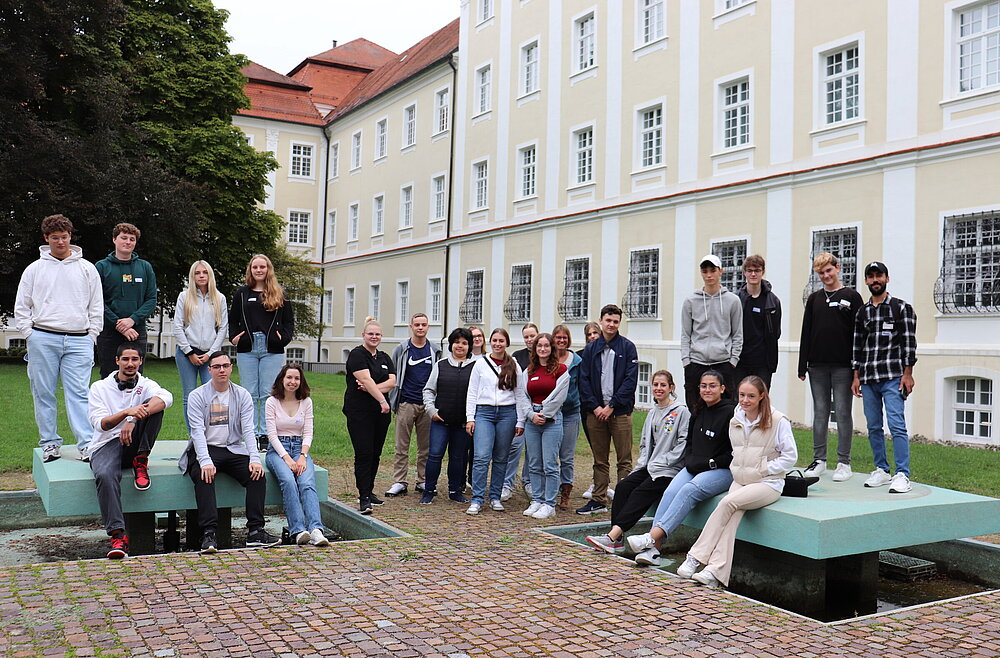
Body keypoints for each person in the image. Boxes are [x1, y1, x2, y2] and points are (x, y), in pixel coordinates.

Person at [673, 376, 797, 588]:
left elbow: (790, 456)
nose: (745, 400)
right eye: (742, 395)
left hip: (767, 484)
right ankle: (714, 571)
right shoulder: (736, 418)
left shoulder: (777, 421)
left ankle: (694, 558)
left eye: (751, 396)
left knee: (727, 503)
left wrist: (765, 469)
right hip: (740, 481)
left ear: (761, 396)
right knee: (732, 517)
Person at [14, 214, 103, 463]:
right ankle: (50, 443)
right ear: (46, 238)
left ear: (70, 236)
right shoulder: (34, 269)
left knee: (79, 394)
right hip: (42, 337)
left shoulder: (87, 269)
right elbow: (22, 306)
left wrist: (92, 335)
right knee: (43, 393)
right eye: (55, 238)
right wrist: (29, 334)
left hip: (79, 339)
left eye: (64, 237)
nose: (60, 242)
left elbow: (96, 306)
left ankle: (86, 444)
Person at [625, 370, 736, 564]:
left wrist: (710, 463)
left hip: (722, 470)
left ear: (722, 388)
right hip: (696, 467)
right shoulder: (699, 410)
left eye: (712, 386)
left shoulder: (730, 412)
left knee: (688, 490)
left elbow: (733, 451)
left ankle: (651, 538)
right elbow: (690, 442)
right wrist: (691, 461)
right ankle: (653, 552)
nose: (707, 389)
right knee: (670, 493)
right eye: (703, 386)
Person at [179, 351, 281, 554]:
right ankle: (209, 533)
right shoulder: (197, 396)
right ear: (209, 370)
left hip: (233, 448)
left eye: (225, 365)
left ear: (231, 368)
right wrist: (205, 461)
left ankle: (255, 531)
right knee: (203, 475)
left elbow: (248, 430)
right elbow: (197, 432)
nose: (221, 370)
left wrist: (254, 458)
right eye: (216, 366)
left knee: (256, 476)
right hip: (205, 449)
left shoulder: (241, 395)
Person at [585, 370, 688, 554]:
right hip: (650, 466)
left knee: (640, 493)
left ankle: (611, 537)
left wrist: (664, 461)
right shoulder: (653, 412)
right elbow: (644, 443)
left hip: (668, 470)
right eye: (655, 384)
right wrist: (644, 462)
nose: (658, 388)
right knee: (623, 487)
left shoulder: (681, 412)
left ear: (671, 387)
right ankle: (618, 541)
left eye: (663, 385)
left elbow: (683, 443)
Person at [88, 343, 172, 559]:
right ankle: (117, 536)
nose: (130, 364)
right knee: (106, 475)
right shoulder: (99, 388)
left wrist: (133, 419)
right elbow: (101, 424)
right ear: (117, 361)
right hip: (105, 444)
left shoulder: (146, 384)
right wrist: (126, 412)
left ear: (140, 361)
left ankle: (140, 461)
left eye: (135, 359)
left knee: (156, 406)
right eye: (125, 359)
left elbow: (167, 398)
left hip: (133, 443)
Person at [852, 261, 917, 494]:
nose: (874, 280)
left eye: (879, 276)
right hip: (869, 377)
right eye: (870, 277)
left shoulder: (901, 308)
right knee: (873, 426)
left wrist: (908, 374)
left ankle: (902, 474)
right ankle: (881, 469)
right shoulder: (863, 312)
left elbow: (909, 343)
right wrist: (856, 376)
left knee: (897, 425)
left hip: (893, 376)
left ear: (887, 279)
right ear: (867, 281)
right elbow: (858, 346)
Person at [798, 252, 864, 482]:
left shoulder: (852, 297)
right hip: (817, 366)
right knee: (820, 412)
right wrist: (802, 365)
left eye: (829, 270)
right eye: (821, 272)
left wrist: (858, 369)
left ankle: (844, 463)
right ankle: (819, 460)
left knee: (844, 413)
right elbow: (806, 332)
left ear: (837, 268)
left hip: (843, 367)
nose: (826, 275)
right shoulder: (814, 299)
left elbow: (860, 335)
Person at [577, 304, 638, 515]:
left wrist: (611, 406)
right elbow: (583, 381)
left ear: (619, 323)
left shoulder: (628, 348)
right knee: (599, 459)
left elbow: (630, 382)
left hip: (619, 413)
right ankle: (598, 499)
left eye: (615, 321)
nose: (611, 325)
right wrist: (595, 407)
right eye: (608, 320)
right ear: (601, 320)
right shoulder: (591, 349)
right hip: (595, 414)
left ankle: (624, 499)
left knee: (624, 460)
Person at [229, 254, 294, 439]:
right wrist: (234, 338)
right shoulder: (241, 293)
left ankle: (265, 434)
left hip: (271, 349)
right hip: (247, 348)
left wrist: (283, 339)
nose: (258, 270)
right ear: (250, 270)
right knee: (248, 393)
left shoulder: (279, 293)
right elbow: (233, 319)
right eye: (255, 267)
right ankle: (250, 434)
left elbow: (289, 322)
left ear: (268, 269)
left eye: (262, 267)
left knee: (268, 393)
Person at [264, 364, 329, 546]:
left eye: (296, 378)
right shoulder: (272, 402)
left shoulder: (306, 402)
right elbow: (272, 435)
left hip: (300, 449)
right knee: (289, 481)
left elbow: (308, 432)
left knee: (307, 483)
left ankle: (316, 529)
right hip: (278, 451)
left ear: (301, 382)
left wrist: (302, 456)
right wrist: (287, 459)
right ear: (282, 379)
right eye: (289, 378)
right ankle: (299, 530)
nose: (293, 382)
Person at [464, 328, 526, 515]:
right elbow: (472, 392)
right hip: (484, 412)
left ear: (506, 343)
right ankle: (477, 499)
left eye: (501, 341)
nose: (498, 344)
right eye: (495, 340)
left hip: (507, 414)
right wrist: (470, 418)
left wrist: (520, 421)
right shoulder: (481, 363)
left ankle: (495, 497)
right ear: (490, 342)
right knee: (481, 456)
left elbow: (520, 393)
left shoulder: (513, 364)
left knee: (501, 457)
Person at [342, 318, 396, 514]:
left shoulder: (384, 357)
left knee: (375, 453)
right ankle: (363, 496)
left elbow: (392, 382)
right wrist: (382, 400)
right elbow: (364, 378)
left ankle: (370, 490)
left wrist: (371, 389)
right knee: (364, 453)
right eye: (371, 333)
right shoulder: (357, 355)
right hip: (359, 413)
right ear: (363, 335)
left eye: (378, 334)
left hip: (380, 415)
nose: (374, 337)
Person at [386, 313, 441, 498]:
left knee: (425, 447)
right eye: (416, 324)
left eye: (423, 324)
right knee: (402, 446)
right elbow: (393, 375)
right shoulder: (402, 349)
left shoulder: (435, 350)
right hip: (406, 402)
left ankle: (422, 480)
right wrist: (395, 399)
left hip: (427, 405)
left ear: (428, 327)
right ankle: (400, 481)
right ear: (411, 326)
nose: (420, 327)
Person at [420, 327, 477, 505]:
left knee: (458, 457)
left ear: (469, 346)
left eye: (464, 343)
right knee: (435, 455)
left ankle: (455, 491)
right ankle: (429, 490)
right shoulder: (441, 365)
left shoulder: (476, 367)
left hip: (462, 423)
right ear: (451, 344)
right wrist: (432, 411)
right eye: (457, 342)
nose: (460, 346)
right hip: (441, 421)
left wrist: (471, 417)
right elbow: (428, 390)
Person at [681, 254, 743, 409]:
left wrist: (733, 361)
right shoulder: (691, 301)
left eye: (712, 270)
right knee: (695, 408)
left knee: (726, 408)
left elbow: (737, 333)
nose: (709, 275)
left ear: (720, 271)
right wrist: (686, 362)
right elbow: (685, 334)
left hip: (723, 362)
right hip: (696, 362)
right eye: (705, 271)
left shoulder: (732, 300)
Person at [94, 223, 157, 377]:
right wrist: (118, 324)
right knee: (109, 377)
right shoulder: (101, 267)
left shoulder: (145, 267)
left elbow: (151, 299)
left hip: (136, 331)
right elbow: (96, 301)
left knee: (135, 377)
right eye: (124, 238)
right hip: (109, 332)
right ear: (114, 239)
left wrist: (132, 320)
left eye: (132, 239)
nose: (128, 242)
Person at [173, 261, 228, 433]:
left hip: (210, 355)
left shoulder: (219, 298)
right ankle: (194, 436)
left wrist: (211, 354)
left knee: (212, 396)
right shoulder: (184, 297)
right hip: (187, 353)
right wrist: (189, 352)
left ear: (210, 275)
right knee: (189, 396)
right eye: (197, 273)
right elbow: (177, 326)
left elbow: (223, 328)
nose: (202, 276)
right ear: (193, 276)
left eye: (205, 272)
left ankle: (211, 436)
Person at [519, 333, 570, 520]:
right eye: (539, 346)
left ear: (552, 348)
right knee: (534, 463)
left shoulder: (561, 370)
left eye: (546, 346)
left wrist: (545, 414)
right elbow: (522, 396)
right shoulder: (529, 371)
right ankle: (537, 500)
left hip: (552, 421)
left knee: (549, 464)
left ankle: (549, 503)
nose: (542, 349)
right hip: (532, 421)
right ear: (535, 349)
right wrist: (532, 415)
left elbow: (559, 396)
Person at [503, 322, 540, 500]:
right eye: (526, 336)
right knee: (514, 447)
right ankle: (507, 484)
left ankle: (529, 481)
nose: (529, 340)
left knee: (533, 450)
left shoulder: (544, 355)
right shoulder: (516, 357)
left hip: (538, 410)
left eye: (532, 336)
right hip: (519, 408)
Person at [734, 255, 781, 391]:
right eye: (749, 270)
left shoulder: (773, 301)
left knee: (761, 400)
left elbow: (776, 332)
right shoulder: (737, 299)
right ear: (744, 273)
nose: (753, 274)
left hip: (763, 362)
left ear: (763, 272)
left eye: (757, 270)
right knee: (740, 402)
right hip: (740, 361)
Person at [552, 325, 583, 510]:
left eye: (564, 337)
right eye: (558, 337)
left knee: (567, 455)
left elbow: (582, 384)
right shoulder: (547, 358)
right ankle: (550, 491)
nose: (561, 340)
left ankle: (565, 492)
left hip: (571, 412)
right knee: (550, 455)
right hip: (552, 414)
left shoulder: (576, 361)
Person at [578, 320, 602, 501]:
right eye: (589, 334)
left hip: (609, 409)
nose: (592, 336)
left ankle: (604, 484)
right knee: (596, 448)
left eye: (595, 333)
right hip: (588, 409)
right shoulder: (581, 356)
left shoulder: (608, 353)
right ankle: (598, 482)